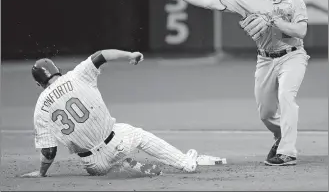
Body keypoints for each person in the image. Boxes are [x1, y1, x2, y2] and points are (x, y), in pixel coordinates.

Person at [156, 0, 310, 166]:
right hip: (265, 59)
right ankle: (281, 135)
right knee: (265, 113)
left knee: (286, 96)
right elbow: (208, 1)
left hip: (293, 55)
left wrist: (274, 20)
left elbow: (301, 31)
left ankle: (287, 152)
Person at [20, 49, 221, 178]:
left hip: (94, 165)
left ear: (39, 84)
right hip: (117, 142)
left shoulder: (40, 108)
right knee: (139, 135)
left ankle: (125, 166)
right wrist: (129, 55)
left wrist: (41, 172)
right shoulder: (77, 75)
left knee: (110, 163)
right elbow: (101, 55)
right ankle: (186, 163)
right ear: (58, 70)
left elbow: (49, 152)